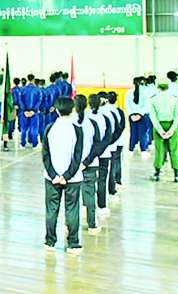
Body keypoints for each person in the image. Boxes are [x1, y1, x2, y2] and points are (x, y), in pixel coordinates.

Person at [42, 96, 84, 255]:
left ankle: (50, 241)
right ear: (72, 110)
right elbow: (77, 156)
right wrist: (67, 175)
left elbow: (45, 154)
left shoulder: (49, 128)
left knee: (51, 210)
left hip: (51, 177)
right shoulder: (77, 129)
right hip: (73, 178)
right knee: (72, 209)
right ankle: (73, 243)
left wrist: (54, 174)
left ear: (57, 110)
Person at [74, 95, 102, 235]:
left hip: (72, 168)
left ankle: (70, 225)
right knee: (90, 195)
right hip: (89, 165)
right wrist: (86, 162)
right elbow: (97, 145)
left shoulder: (69, 123)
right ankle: (92, 224)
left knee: (72, 198)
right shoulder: (92, 123)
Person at [150, 79, 178, 183]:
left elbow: (153, 117)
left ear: (158, 87)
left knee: (159, 150)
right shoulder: (174, 99)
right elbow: (177, 115)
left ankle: (157, 173)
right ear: (168, 87)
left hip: (159, 125)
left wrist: (160, 130)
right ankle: (177, 174)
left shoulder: (153, 100)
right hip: (172, 124)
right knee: (174, 150)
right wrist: (172, 130)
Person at [90, 94, 113, 219]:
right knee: (102, 180)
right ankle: (102, 206)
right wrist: (101, 149)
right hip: (104, 153)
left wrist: (94, 152)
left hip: (90, 155)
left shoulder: (85, 117)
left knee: (88, 181)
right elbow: (109, 136)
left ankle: (87, 205)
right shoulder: (105, 118)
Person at [125, 77, 150, 157]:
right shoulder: (145, 92)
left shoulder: (128, 92)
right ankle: (143, 149)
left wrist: (131, 114)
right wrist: (140, 114)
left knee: (133, 132)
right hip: (143, 116)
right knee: (143, 133)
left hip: (132, 116)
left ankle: (131, 149)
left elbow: (127, 105)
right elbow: (147, 105)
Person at [20, 74, 41, 148]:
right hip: (34, 112)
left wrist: (24, 110)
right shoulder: (38, 90)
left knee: (23, 128)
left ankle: (23, 144)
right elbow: (39, 101)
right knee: (34, 128)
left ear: (27, 79)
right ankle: (34, 144)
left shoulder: (22, 89)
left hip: (24, 112)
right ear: (33, 79)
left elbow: (20, 100)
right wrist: (34, 110)